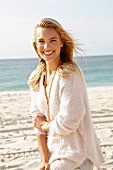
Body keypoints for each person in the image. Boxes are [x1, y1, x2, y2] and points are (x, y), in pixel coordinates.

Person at [28, 18, 104, 170]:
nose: (46, 46)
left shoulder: (70, 74)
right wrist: (44, 160)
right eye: (41, 41)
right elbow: (37, 122)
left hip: (76, 154)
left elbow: (69, 121)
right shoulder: (37, 77)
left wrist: (46, 125)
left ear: (62, 42)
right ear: (36, 46)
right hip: (53, 154)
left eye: (53, 40)